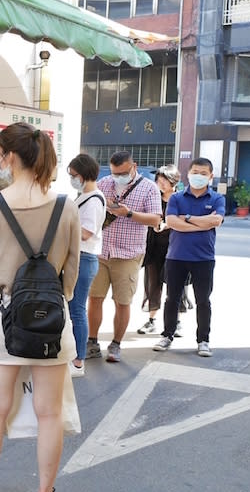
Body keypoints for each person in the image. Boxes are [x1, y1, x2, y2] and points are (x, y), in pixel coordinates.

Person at [0, 122, 80, 492]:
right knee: (49, 412)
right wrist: (56, 301)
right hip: (51, 319)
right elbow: (72, 270)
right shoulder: (66, 205)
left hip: (3, 316)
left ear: (10, 157)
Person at [86, 150, 162, 363]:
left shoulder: (149, 188)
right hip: (100, 252)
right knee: (95, 298)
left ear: (134, 167)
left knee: (122, 301)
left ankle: (116, 344)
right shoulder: (104, 184)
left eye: (123, 172)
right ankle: (92, 342)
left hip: (128, 254)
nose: (117, 176)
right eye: (114, 172)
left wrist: (128, 213)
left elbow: (156, 219)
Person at [152, 158, 225, 357]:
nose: (198, 176)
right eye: (195, 172)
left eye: (203, 173)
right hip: (176, 257)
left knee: (203, 300)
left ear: (211, 176)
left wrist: (188, 218)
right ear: (188, 173)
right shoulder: (176, 198)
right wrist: (202, 223)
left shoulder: (217, 198)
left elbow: (216, 221)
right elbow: (172, 222)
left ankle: (203, 340)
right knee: (172, 299)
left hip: (204, 258)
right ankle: (167, 335)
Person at [138, 165, 190, 336]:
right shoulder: (154, 197)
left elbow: (186, 221)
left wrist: (169, 224)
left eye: (164, 180)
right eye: (158, 180)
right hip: (154, 247)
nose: (160, 183)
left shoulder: (181, 199)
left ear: (174, 181)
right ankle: (151, 320)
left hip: (177, 248)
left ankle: (178, 322)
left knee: (177, 285)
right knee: (153, 283)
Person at [67, 154, 105, 378]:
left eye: (74, 175)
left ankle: (79, 361)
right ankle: (75, 356)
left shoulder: (93, 199)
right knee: (74, 310)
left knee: (78, 311)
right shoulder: (85, 195)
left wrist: (63, 228)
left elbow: (86, 232)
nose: (72, 179)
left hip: (85, 258)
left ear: (84, 174)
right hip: (81, 258)